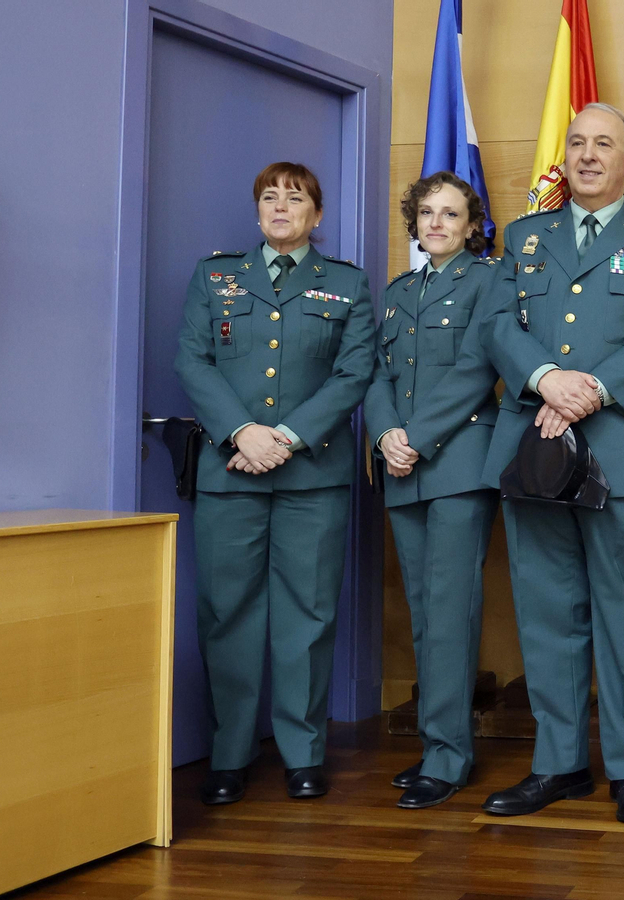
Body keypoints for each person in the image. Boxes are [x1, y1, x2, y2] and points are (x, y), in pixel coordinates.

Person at [477, 103, 624, 826]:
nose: (588, 154)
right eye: (577, 143)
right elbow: (497, 323)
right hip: (534, 446)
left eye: (605, 144)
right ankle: (560, 764)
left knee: (623, 612)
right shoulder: (526, 235)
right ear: (563, 160)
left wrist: (591, 390)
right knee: (546, 613)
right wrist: (545, 378)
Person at [174, 161, 376, 805]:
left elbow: (354, 375)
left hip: (312, 476)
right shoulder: (216, 277)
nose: (281, 206)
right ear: (256, 210)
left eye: (296, 198)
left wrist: (284, 438)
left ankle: (302, 753)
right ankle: (229, 754)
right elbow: (192, 360)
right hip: (229, 474)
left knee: (307, 616)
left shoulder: (346, 285)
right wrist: (241, 432)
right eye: (269, 196)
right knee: (226, 615)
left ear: (316, 217)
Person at [364, 171, 501, 809]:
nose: (437, 223)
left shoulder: (488, 280)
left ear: (472, 225)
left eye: (451, 213)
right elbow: (375, 375)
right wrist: (388, 433)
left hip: (456, 464)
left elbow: (478, 369)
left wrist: (414, 436)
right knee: (422, 609)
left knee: (450, 610)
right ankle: (433, 743)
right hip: (402, 464)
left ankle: (449, 758)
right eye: (426, 213)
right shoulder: (397, 293)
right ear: (414, 222)